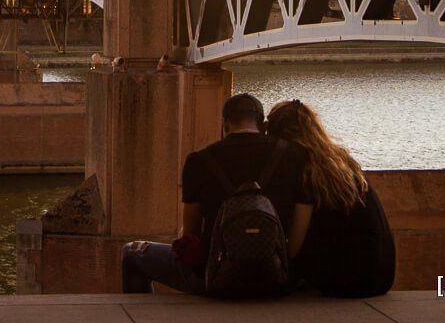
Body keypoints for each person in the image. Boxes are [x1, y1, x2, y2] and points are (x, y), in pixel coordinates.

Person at [121, 93, 313, 295]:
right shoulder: (296, 157)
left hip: (215, 280)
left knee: (131, 254)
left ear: (225, 124)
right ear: (262, 125)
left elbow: (190, 235)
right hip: (276, 280)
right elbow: (296, 242)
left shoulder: (198, 161)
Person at [265, 99, 396, 297]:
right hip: (382, 276)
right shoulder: (341, 161)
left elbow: (294, 247)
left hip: (350, 281)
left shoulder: (305, 168)